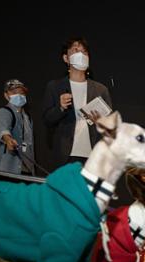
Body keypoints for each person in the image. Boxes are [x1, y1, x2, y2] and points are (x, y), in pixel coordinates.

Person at [42, 37, 112, 169]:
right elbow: (47, 120)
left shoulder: (101, 89)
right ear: (66, 58)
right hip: (65, 156)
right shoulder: (54, 86)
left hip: (92, 156)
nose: (81, 55)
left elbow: (111, 128)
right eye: (76, 50)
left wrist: (100, 122)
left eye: (84, 52)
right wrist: (60, 108)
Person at [0, 79, 35, 176]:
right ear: (6, 95)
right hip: (9, 169)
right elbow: (3, 129)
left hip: (27, 168)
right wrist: (8, 140)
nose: (19, 95)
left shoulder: (27, 117)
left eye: (21, 93)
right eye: (14, 92)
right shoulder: (5, 111)